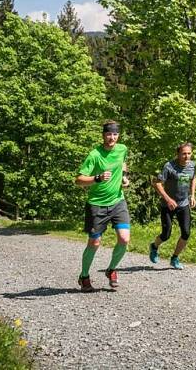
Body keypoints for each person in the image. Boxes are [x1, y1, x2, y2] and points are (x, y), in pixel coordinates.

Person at [74, 120, 130, 292]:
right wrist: (96, 178)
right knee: (95, 242)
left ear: (118, 135)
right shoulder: (94, 155)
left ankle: (111, 270)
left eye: (114, 134)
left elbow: (123, 163)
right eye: (108, 134)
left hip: (117, 201)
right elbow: (78, 180)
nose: (111, 137)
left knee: (124, 238)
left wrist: (124, 177)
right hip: (97, 205)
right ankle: (84, 276)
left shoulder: (122, 149)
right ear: (103, 135)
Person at [148, 142, 196, 270]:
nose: (187, 156)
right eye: (184, 154)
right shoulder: (169, 166)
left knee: (186, 233)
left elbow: (193, 178)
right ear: (178, 154)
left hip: (183, 203)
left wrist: (192, 195)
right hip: (167, 205)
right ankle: (154, 246)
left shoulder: (192, 165)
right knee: (166, 234)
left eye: (189, 153)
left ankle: (174, 258)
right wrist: (168, 199)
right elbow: (157, 183)